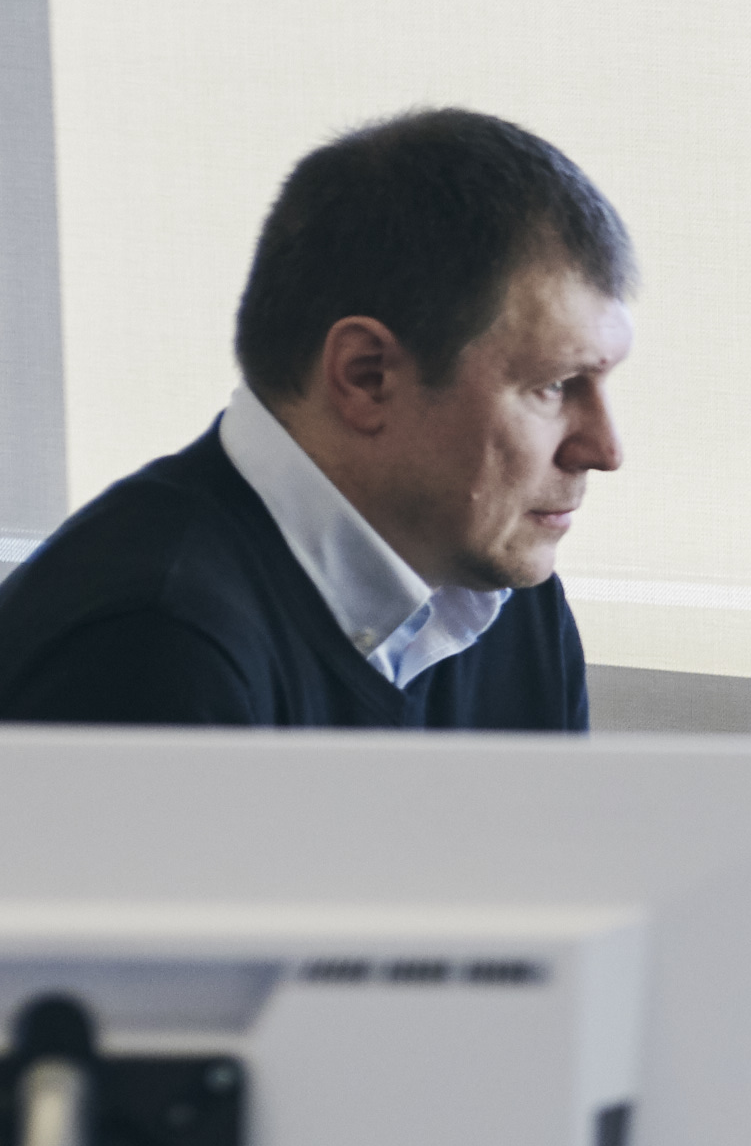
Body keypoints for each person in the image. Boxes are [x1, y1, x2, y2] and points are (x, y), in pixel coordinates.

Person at [0, 109, 631, 731]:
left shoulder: (501, 590)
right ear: (366, 377)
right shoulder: (150, 644)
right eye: (553, 386)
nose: (604, 449)